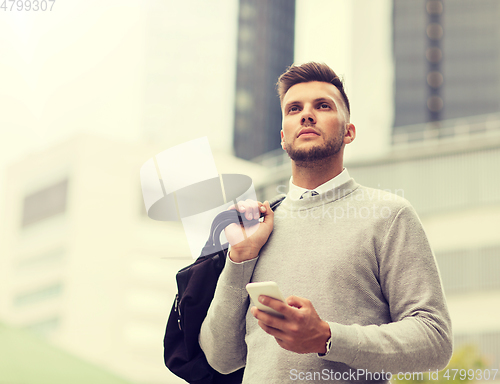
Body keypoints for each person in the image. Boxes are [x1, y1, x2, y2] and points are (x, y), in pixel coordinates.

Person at [199, 62, 452, 383]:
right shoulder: (256, 229)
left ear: (349, 131)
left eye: (322, 106)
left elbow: (435, 340)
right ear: (282, 137)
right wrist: (240, 259)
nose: (306, 115)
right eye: (294, 109)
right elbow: (221, 358)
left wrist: (327, 337)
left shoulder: (389, 215)